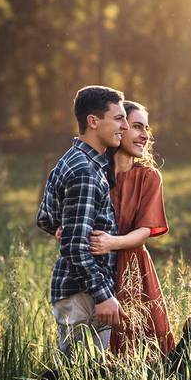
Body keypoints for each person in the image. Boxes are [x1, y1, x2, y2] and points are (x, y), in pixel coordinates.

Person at [36, 85, 130, 359]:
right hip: (84, 295)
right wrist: (102, 295)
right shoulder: (86, 172)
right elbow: (75, 246)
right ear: (93, 121)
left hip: (79, 291)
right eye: (118, 118)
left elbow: (44, 218)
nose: (124, 126)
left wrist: (62, 228)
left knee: (75, 373)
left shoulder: (71, 160)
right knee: (80, 376)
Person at [84, 101, 176, 358]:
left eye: (146, 128)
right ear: (120, 127)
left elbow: (145, 231)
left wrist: (112, 243)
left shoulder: (149, 176)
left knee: (141, 345)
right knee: (95, 349)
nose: (144, 135)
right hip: (96, 267)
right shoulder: (93, 172)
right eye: (137, 126)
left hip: (133, 269)